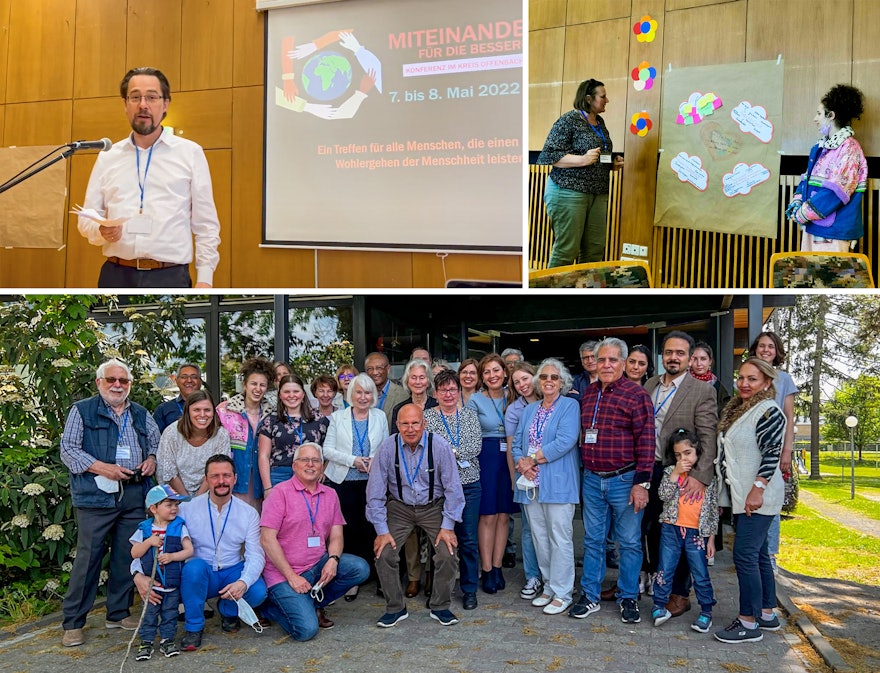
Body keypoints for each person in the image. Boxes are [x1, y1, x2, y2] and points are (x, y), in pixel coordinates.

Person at [77, 67, 220, 288]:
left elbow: (206, 225)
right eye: (135, 97)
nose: (143, 104)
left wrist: (205, 279)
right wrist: (100, 230)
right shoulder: (109, 156)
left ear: (165, 104)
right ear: (125, 104)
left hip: (170, 276)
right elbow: (86, 217)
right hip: (116, 274)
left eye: (152, 97)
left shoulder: (190, 153)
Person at [60, 358, 161, 648]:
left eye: (124, 381)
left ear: (129, 384)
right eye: (112, 380)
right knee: (88, 558)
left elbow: (154, 444)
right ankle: (73, 623)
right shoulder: (82, 410)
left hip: (132, 491)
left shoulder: (141, 413)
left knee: (126, 555)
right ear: (99, 383)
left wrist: (152, 460)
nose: (118, 385)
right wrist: (102, 467)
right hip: (96, 493)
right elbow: (68, 450)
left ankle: (117, 614)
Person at [134, 454, 268, 651]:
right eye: (215, 476)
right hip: (200, 574)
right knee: (194, 568)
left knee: (258, 592)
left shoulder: (248, 513)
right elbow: (150, 538)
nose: (221, 481)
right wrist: (137, 574)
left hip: (232, 570)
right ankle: (194, 627)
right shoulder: (186, 509)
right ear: (206, 479)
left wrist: (243, 582)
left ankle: (227, 611)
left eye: (226, 475)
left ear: (235, 479)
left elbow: (255, 554)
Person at [570, 338, 654, 624]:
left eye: (613, 360)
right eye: (601, 359)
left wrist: (641, 484)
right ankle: (590, 595)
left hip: (625, 479)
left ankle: (628, 597)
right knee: (593, 540)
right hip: (592, 480)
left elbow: (647, 441)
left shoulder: (636, 395)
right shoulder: (589, 394)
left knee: (629, 543)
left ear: (623, 363)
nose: (606, 364)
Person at [365, 404, 465, 628]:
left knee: (447, 552)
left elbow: (453, 490)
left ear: (424, 424)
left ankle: (440, 606)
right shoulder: (387, 448)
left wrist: (448, 526)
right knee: (384, 553)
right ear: (397, 425)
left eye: (415, 423)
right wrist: (381, 531)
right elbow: (375, 492)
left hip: (433, 507)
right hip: (399, 507)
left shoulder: (439, 446)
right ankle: (395, 607)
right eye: (405, 424)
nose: (410, 428)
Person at [260, 443, 370, 640]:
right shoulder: (280, 493)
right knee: (306, 631)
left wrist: (333, 560)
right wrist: (291, 576)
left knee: (359, 568)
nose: (310, 465)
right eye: (304, 460)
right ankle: (270, 607)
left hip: (316, 565)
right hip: (284, 573)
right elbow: (267, 540)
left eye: (316, 460)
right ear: (294, 466)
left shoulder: (330, 494)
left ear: (322, 466)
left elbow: (336, 534)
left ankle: (314, 603)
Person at [643, 332, 718, 615]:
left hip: (685, 475)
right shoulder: (650, 384)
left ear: (689, 358)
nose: (673, 357)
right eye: (669, 352)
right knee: (652, 530)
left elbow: (708, 437)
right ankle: (656, 583)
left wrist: (700, 476)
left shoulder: (702, 391)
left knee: (683, 534)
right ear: (662, 355)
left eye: (680, 353)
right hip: (651, 470)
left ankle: (679, 594)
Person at [714, 358, 786, 644]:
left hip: (758, 497)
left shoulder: (768, 411)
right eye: (741, 378)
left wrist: (758, 488)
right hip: (744, 496)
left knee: (744, 555)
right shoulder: (742, 409)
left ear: (766, 383)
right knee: (757, 555)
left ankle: (748, 622)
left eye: (752, 379)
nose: (744, 383)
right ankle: (767, 614)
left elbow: (771, 453)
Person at [512, 359, 580, 616]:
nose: (548, 381)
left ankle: (563, 592)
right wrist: (522, 462)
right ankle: (550, 586)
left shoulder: (570, 406)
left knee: (560, 538)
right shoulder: (530, 410)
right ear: (538, 382)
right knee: (540, 537)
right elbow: (517, 441)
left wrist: (532, 459)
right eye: (544, 377)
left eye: (554, 377)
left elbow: (565, 440)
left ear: (562, 382)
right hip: (530, 483)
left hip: (558, 483)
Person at [536, 78, 625, 268]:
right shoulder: (569, 120)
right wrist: (582, 159)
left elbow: (597, 155)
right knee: (567, 250)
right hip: (568, 191)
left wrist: (611, 163)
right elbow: (548, 155)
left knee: (594, 250)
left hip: (598, 193)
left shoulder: (599, 122)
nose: (606, 100)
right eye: (603, 96)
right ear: (588, 99)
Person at [322, 373, 390, 601]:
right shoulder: (338, 417)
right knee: (347, 531)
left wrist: (371, 460)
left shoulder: (380, 416)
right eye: (359, 392)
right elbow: (327, 450)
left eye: (368, 392)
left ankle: (382, 578)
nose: (363, 397)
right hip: (342, 482)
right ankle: (352, 581)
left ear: (374, 395)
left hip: (372, 482)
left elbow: (386, 446)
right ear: (351, 394)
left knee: (374, 529)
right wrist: (354, 461)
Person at [424, 370, 483, 610]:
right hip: (438, 489)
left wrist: (448, 452)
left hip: (469, 485)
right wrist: (454, 453)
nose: (448, 394)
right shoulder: (427, 416)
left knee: (468, 541)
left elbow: (475, 446)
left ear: (459, 392)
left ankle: (469, 589)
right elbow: (427, 448)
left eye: (452, 389)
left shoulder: (469, 416)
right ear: (435, 393)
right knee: (439, 543)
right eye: (443, 390)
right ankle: (440, 590)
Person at [786, 84, 868, 252]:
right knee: (810, 275)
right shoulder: (820, 147)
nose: (815, 119)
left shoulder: (849, 148)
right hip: (814, 224)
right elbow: (807, 179)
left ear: (831, 115)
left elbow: (836, 191)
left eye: (818, 113)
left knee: (832, 277)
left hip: (834, 230)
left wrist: (803, 212)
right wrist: (796, 201)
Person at [651, 430, 718, 635]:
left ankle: (706, 611)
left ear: (697, 451)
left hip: (696, 533)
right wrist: (674, 473)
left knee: (700, 572)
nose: (684, 459)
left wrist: (711, 539)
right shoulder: (671, 472)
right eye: (678, 455)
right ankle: (659, 606)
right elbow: (663, 495)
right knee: (665, 569)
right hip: (671, 529)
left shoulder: (707, 477)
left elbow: (714, 511)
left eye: (688, 453)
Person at [467, 353, 517, 594]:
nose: (492, 375)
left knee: (504, 515)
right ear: (482, 377)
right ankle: (486, 569)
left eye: (496, 370)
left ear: (505, 373)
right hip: (485, 457)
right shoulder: (475, 400)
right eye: (486, 372)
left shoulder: (514, 397)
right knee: (487, 515)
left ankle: (497, 566)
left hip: (509, 457)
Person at [749, 331, 797, 574]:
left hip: (775, 449)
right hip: (750, 449)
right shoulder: (748, 375)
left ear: (777, 351)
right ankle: (753, 552)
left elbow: (789, 417)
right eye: (761, 346)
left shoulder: (784, 379)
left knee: (771, 501)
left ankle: (769, 554)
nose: (765, 350)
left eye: (770, 346)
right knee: (751, 498)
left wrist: (787, 451)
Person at [390, 358, 439, 597]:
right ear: (407, 381)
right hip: (406, 478)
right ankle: (413, 576)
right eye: (413, 377)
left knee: (431, 532)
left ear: (428, 380)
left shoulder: (437, 406)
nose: (418, 381)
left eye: (422, 377)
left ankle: (431, 574)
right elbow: (393, 444)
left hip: (431, 479)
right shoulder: (399, 408)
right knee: (409, 533)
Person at [129, 484, 193, 660]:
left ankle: (167, 640)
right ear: (153, 508)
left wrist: (172, 556)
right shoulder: (143, 529)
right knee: (149, 614)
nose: (174, 508)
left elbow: (189, 550)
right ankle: (146, 642)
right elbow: (135, 553)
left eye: (176, 505)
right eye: (169, 504)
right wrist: (149, 542)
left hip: (171, 584)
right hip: (152, 584)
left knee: (170, 613)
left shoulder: (179, 527)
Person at [504, 362, 543, 601]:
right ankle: (532, 575)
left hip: (549, 471)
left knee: (551, 528)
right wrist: (514, 478)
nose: (522, 385)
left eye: (525, 378)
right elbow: (510, 447)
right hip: (524, 473)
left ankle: (552, 576)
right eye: (516, 382)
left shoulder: (553, 400)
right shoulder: (514, 410)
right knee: (529, 529)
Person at [216, 357, 275, 508]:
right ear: (245, 385)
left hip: (260, 484)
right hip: (234, 481)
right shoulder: (225, 410)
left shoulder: (272, 414)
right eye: (253, 383)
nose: (258, 389)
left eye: (262, 385)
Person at [258, 374, 329, 491]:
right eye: (286, 392)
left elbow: (331, 450)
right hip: (280, 476)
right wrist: (267, 488)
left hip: (311, 474)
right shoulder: (271, 420)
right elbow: (263, 456)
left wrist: (323, 470)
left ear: (303, 394)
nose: (291, 395)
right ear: (280, 395)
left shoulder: (319, 420)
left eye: (296, 391)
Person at [157, 389, 231, 497]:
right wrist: (186, 501)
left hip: (209, 494)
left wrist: (197, 502)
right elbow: (169, 473)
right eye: (196, 410)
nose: (202, 415)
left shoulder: (221, 435)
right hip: (174, 495)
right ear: (187, 412)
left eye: (207, 410)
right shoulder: (171, 433)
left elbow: (217, 471)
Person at [153, 363, 203, 433]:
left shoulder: (210, 409)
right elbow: (156, 440)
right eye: (184, 377)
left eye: (194, 377)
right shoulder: (163, 410)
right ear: (176, 381)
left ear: (200, 381)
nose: (189, 380)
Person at [364, 351, 408, 426]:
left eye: (379, 368)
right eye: (370, 369)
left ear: (388, 369)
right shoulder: (361, 395)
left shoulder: (402, 395)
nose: (375, 372)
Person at [689, 342, 731, 415]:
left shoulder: (717, 386)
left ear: (710, 361)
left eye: (703, 359)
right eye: (695, 359)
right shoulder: (681, 382)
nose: (699, 364)